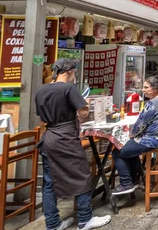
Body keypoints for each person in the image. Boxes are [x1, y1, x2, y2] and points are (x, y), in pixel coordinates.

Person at [35, 58, 111, 230]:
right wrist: (85, 107)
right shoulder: (69, 88)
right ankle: (85, 219)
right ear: (69, 71)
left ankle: (52, 224)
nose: (74, 76)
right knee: (82, 175)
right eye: (74, 72)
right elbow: (83, 113)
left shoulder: (41, 90)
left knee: (49, 182)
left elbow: (41, 121)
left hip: (48, 138)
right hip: (66, 138)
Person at [112, 76, 158, 195]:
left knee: (117, 151)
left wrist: (131, 134)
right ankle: (134, 180)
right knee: (129, 148)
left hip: (152, 140)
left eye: (146, 87)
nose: (143, 90)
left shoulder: (152, 103)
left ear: (155, 88)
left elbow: (140, 125)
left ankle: (126, 183)